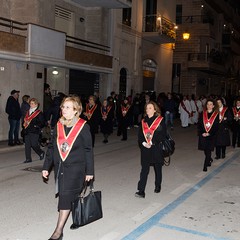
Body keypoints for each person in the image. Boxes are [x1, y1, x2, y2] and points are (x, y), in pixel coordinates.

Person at [42, 96, 94, 240]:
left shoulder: (83, 126)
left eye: (68, 107)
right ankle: (76, 218)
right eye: (63, 107)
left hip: (76, 169)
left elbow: (88, 149)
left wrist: (89, 171)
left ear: (76, 110)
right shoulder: (58, 124)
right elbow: (52, 147)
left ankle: (58, 232)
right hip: (60, 168)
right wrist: (46, 166)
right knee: (71, 196)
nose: (63, 110)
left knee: (64, 197)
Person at [135, 101, 167, 198]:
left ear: (155, 109)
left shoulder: (160, 120)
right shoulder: (143, 121)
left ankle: (158, 185)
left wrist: (152, 142)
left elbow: (162, 135)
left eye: (150, 108)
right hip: (145, 149)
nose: (147, 109)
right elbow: (140, 135)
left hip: (156, 148)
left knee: (158, 169)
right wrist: (144, 143)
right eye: (147, 108)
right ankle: (141, 190)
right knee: (144, 170)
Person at [198, 99, 219, 172]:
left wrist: (209, 133)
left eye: (211, 104)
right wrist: (202, 133)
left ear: (213, 106)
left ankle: (205, 166)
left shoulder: (216, 115)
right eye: (208, 104)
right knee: (205, 150)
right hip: (203, 135)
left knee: (208, 150)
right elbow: (199, 125)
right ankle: (209, 159)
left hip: (211, 136)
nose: (209, 106)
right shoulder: (202, 114)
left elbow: (216, 127)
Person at [23, 98, 45, 163]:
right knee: (27, 145)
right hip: (27, 131)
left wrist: (35, 125)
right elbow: (25, 120)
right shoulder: (28, 112)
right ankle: (28, 158)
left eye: (32, 103)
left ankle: (41, 152)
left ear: (36, 105)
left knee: (34, 144)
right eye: (30, 103)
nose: (31, 105)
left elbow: (42, 123)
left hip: (35, 131)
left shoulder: (39, 113)